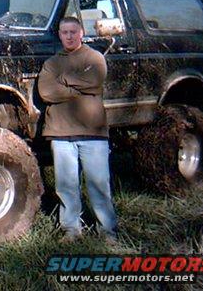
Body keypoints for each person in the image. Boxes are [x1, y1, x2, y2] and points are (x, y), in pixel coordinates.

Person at [37, 16, 118, 241]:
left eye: (73, 31)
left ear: (81, 33)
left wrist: (63, 80)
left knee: (99, 185)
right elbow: (46, 92)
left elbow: (95, 80)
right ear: (60, 35)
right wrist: (77, 90)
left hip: (93, 133)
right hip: (60, 134)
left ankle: (108, 231)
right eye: (65, 32)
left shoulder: (95, 57)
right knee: (66, 186)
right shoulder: (51, 63)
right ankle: (71, 230)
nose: (69, 36)